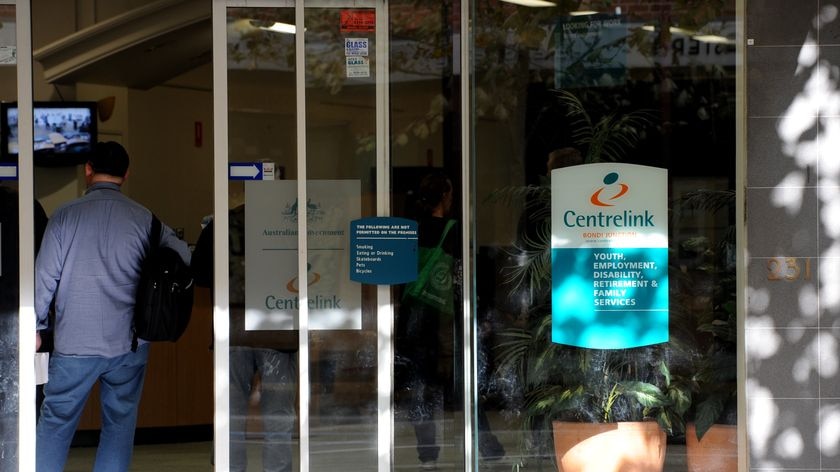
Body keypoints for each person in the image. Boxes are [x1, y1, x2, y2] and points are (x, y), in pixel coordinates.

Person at [33, 141, 190, 472]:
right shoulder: (145, 219)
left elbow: (44, 278)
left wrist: (35, 327)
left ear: (87, 170)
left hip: (74, 343)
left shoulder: (64, 217)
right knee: (119, 427)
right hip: (129, 345)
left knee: (55, 424)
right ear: (127, 174)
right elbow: (184, 256)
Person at [396, 172, 504, 470]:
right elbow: (462, 278)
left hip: (416, 318)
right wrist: (479, 315)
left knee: (422, 389)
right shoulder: (455, 231)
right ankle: (487, 449)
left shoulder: (410, 231)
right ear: (445, 196)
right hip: (447, 319)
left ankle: (427, 456)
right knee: (465, 384)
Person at [191, 204, 297, 472]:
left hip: (234, 329)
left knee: (231, 414)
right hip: (278, 331)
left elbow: (200, 275)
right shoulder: (289, 222)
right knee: (277, 417)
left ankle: (232, 468)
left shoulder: (221, 224)